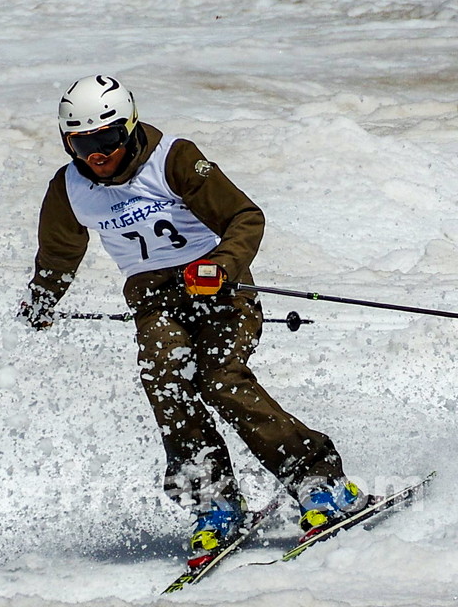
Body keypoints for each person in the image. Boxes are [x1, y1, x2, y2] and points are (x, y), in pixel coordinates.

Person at [19, 74, 366, 566]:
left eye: (107, 138)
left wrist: (221, 265)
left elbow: (245, 217)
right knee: (165, 380)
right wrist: (42, 297)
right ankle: (214, 504)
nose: (97, 153)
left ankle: (322, 484)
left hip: (219, 292)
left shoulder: (174, 160)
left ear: (130, 128)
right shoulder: (70, 187)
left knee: (219, 377)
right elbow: (58, 251)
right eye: (82, 142)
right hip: (155, 303)